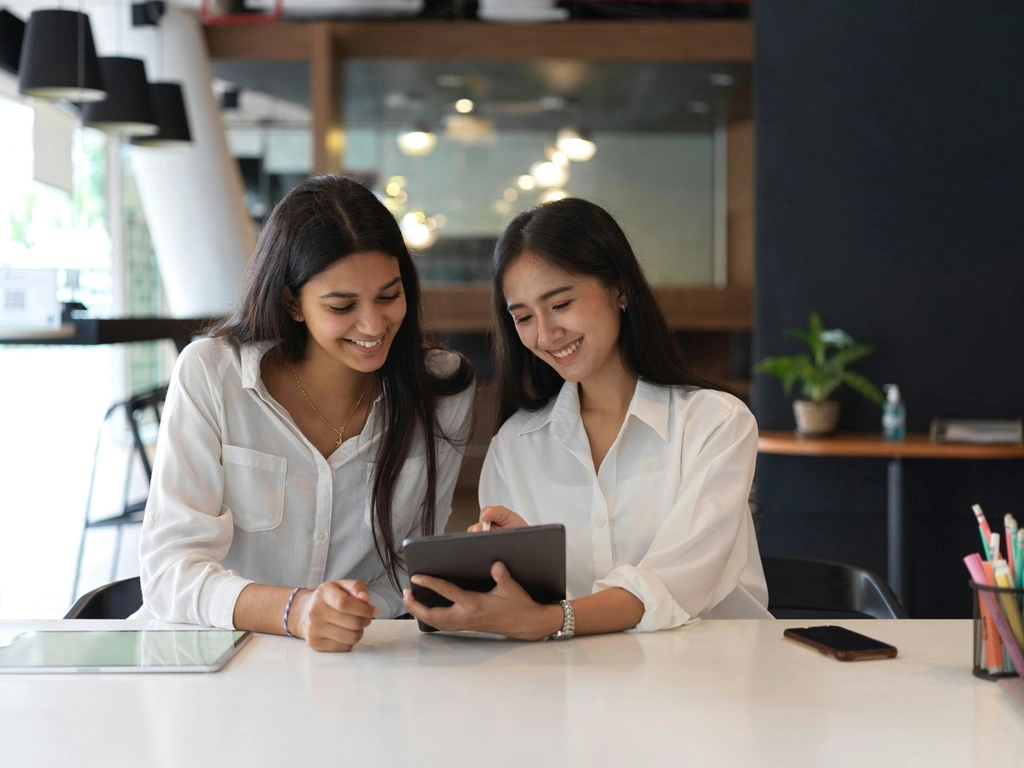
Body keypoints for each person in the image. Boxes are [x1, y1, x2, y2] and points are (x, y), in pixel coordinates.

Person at [403, 197, 770, 640]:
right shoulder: (516, 445)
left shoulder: (715, 424)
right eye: (523, 317)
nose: (545, 333)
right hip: (579, 686)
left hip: (715, 681)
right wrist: (517, 572)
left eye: (560, 304)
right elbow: (529, 609)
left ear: (620, 289)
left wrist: (550, 618)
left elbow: (678, 582)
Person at [137, 175, 475, 652]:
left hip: (359, 659)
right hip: (215, 656)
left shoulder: (442, 390)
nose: (374, 324)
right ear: (292, 301)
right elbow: (170, 570)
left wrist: (350, 613)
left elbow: (410, 564)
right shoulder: (213, 375)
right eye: (343, 305)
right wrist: (296, 610)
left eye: (388, 295)